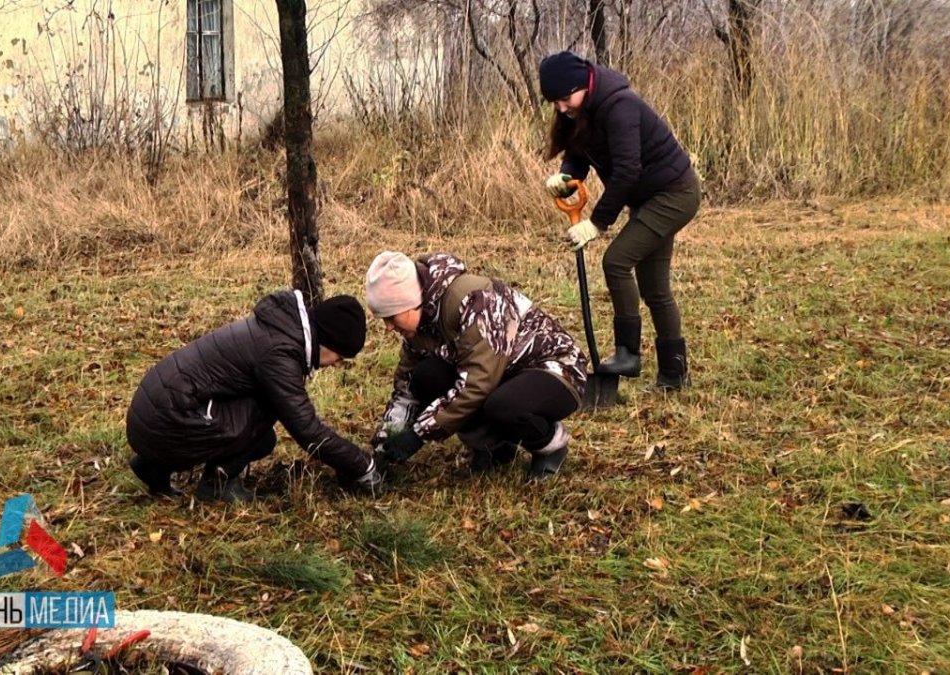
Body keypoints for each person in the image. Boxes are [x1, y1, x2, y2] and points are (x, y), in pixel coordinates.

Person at [539, 50, 701, 390]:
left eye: (565, 98)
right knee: (654, 286)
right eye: (555, 102)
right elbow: (579, 155)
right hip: (649, 198)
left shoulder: (619, 106)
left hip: (674, 194)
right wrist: (566, 176)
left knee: (616, 261)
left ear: (583, 84)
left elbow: (628, 170)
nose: (562, 108)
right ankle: (674, 375)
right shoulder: (584, 110)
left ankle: (628, 353)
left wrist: (597, 223)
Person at [125, 291, 382, 503]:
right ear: (328, 342)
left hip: (153, 416)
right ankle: (217, 485)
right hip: (165, 421)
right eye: (339, 357)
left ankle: (154, 467)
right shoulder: (279, 353)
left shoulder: (278, 329)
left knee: (263, 438)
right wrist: (362, 466)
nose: (336, 365)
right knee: (266, 410)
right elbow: (307, 429)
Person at [365, 251, 587, 481]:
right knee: (426, 376)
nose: (388, 327)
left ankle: (551, 444)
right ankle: (494, 447)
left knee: (504, 406)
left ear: (411, 302)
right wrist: (385, 442)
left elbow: (477, 383)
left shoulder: (473, 301)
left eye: (392, 317)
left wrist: (419, 434)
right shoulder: (418, 327)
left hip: (555, 369)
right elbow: (406, 389)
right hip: (502, 374)